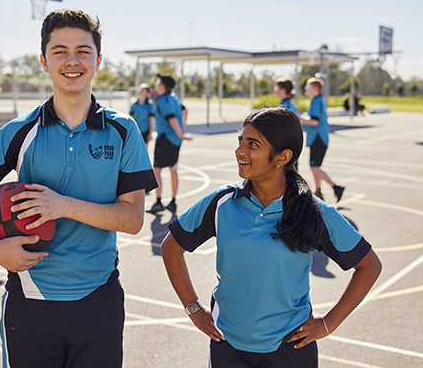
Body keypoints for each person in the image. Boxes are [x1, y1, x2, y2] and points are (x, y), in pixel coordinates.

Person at [0, 8, 158, 368]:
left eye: (83, 51)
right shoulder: (20, 132)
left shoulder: (123, 131)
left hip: (98, 299)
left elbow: (132, 219)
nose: (72, 61)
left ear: (98, 61)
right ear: (44, 61)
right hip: (30, 300)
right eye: (60, 51)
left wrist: (62, 206)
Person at [161, 107, 382, 368]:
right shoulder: (221, 203)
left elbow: (369, 265)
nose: (240, 151)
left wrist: (328, 323)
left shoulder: (314, 213)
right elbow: (171, 248)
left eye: (253, 144)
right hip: (228, 347)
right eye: (240, 141)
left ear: (282, 156)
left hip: (290, 350)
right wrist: (194, 310)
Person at [148, 73, 192, 214]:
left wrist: (180, 133)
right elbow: (185, 111)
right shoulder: (176, 98)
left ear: (162, 85)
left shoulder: (163, 100)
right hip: (175, 140)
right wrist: (181, 131)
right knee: (173, 169)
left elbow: (171, 118)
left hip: (166, 137)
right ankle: (173, 202)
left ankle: (159, 201)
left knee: (157, 170)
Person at [300, 77, 345, 202]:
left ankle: (336, 187)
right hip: (318, 137)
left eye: (307, 87)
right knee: (315, 166)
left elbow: (314, 121)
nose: (306, 90)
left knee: (314, 167)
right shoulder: (317, 100)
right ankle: (318, 191)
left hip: (318, 138)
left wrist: (300, 118)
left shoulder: (316, 101)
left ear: (315, 88)